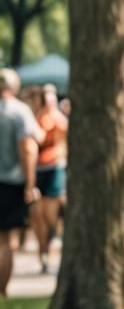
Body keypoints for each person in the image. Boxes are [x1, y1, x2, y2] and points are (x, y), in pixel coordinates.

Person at [0, 69, 43, 295]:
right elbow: (29, 147)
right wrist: (30, 184)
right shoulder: (19, 111)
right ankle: (2, 290)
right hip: (10, 183)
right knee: (6, 240)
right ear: (14, 87)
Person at [32, 83, 69, 272]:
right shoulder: (36, 117)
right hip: (39, 169)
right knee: (39, 217)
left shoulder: (59, 119)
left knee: (51, 216)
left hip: (55, 169)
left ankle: (51, 255)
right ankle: (43, 257)